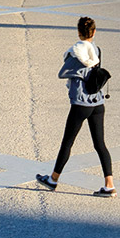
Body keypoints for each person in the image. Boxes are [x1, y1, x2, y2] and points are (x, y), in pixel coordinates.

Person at [37, 16, 115, 197]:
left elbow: (63, 72)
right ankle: (109, 185)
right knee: (100, 144)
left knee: (67, 142)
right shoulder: (97, 51)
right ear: (94, 32)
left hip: (81, 103)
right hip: (98, 102)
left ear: (78, 32)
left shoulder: (75, 52)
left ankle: (53, 179)